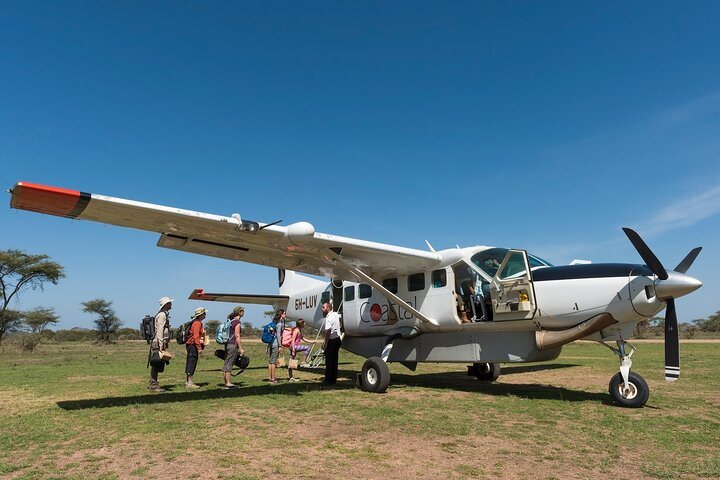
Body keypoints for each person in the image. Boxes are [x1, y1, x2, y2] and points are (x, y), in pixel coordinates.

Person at [149, 296, 172, 392]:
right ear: (166, 304)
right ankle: (153, 385)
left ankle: (154, 383)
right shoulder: (162, 315)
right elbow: (160, 330)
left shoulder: (162, 314)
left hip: (158, 342)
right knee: (156, 363)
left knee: (157, 363)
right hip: (158, 342)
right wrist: (161, 344)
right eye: (170, 303)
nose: (171, 304)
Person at [222, 306, 245, 389]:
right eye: (242, 310)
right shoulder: (237, 322)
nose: (243, 312)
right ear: (239, 312)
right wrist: (240, 348)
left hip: (227, 344)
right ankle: (228, 384)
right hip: (232, 344)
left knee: (227, 362)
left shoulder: (231, 321)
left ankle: (226, 382)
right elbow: (237, 335)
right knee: (230, 363)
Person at [185, 307, 207, 388]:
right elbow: (196, 337)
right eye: (204, 313)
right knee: (191, 362)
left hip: (191, 345)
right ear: (201, 314)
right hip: (193, 345)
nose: (205, 314)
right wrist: (199, 348)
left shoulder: (196, 322)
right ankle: (189, 382)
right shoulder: (197, 323)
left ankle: (188, 381)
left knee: (190, 361)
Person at [321, 302, 342, 385]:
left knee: (329, 362)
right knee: (335, 360)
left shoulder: (328, 318)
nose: (322, 309)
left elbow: (328, 331)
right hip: (337, 339)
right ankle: (333, 379)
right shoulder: (336, 314)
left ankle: (328, 380)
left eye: (323, 307)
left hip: (332, 340)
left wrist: (325, 344)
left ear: (328, 308)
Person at [268, 309, 285, 384]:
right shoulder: (280, 324)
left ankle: (270, 377)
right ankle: (273, 379)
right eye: (284, 313)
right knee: (274, 362)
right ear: (281, 314)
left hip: (272, 343)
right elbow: (278, 335)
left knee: (270, 361)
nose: (285, 315)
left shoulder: (275, 323)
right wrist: (280, 345)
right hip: (275, 345)